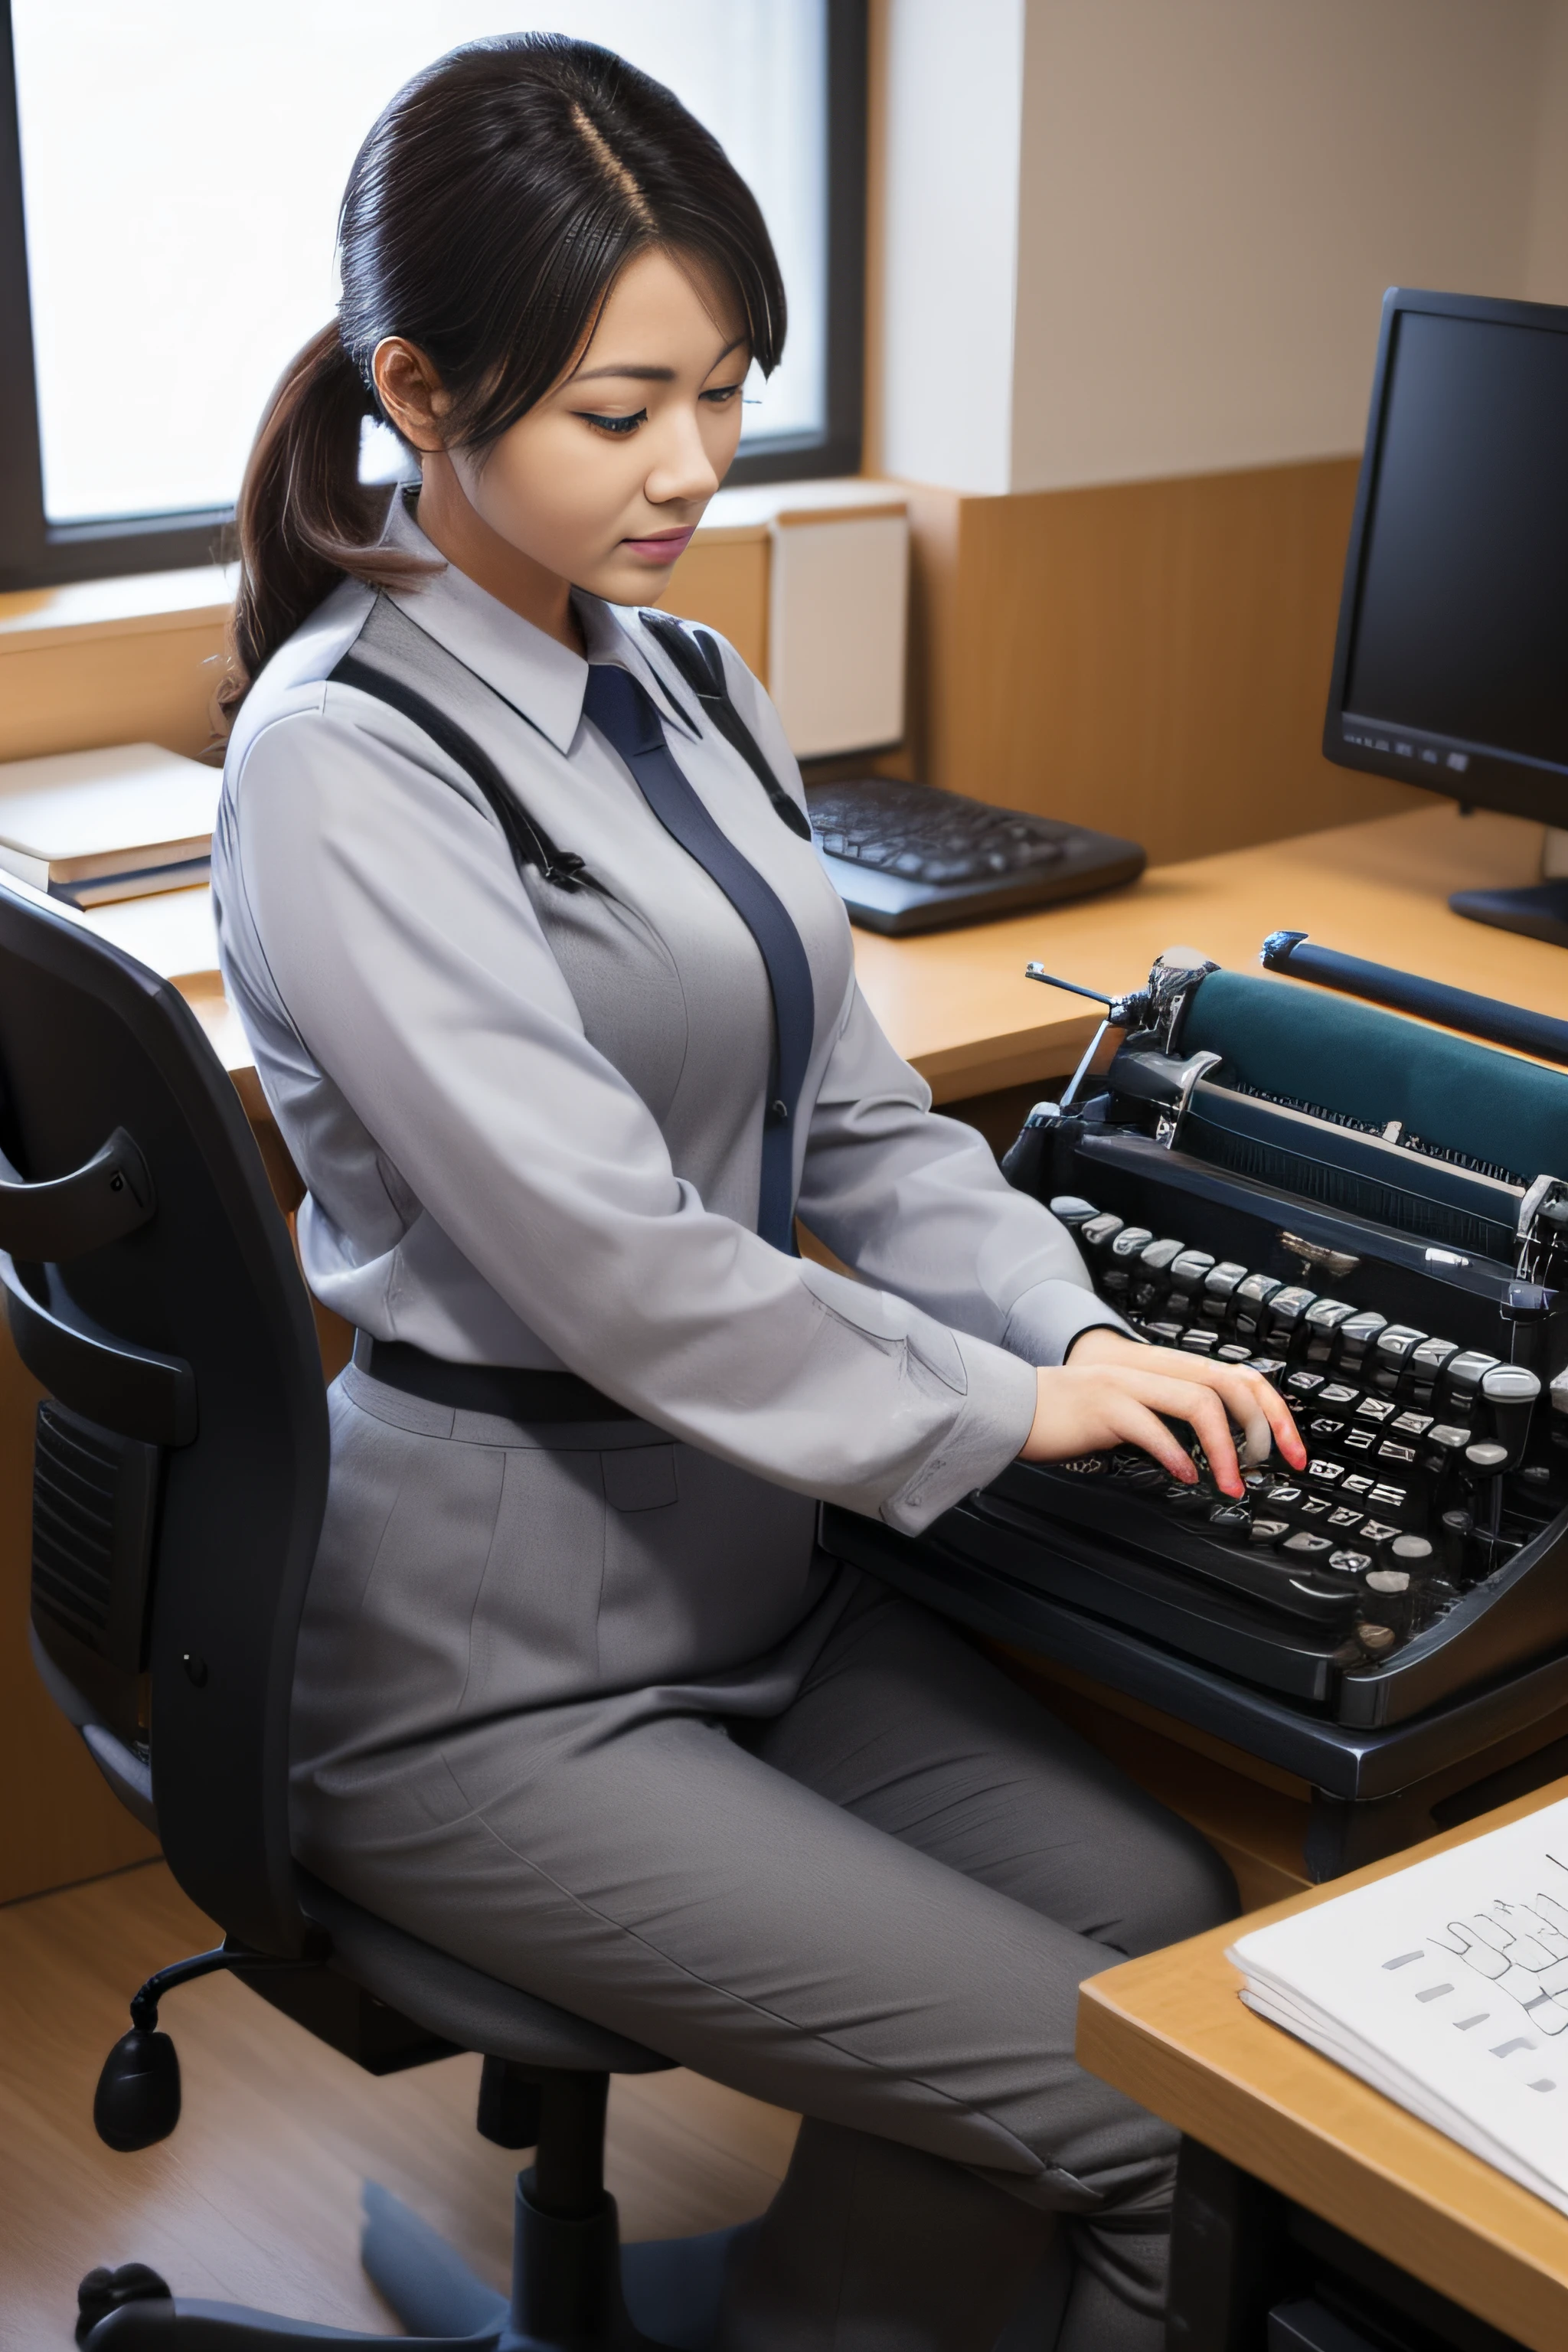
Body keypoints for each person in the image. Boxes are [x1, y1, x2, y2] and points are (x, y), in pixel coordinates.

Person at [211, 35, 1305, 2352]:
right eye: (621, 413)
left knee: (1163, 1909)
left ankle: (804, 2319)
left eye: (726, 390)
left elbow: (863, 1130)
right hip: (488, 1670)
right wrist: (1001, 1425)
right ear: (419, 386)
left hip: (745, 1582)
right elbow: (619, 1266)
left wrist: (1073, 1332)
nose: (695, 467)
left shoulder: (693, 679)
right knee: (1151, 2112)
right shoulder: (340, 764)